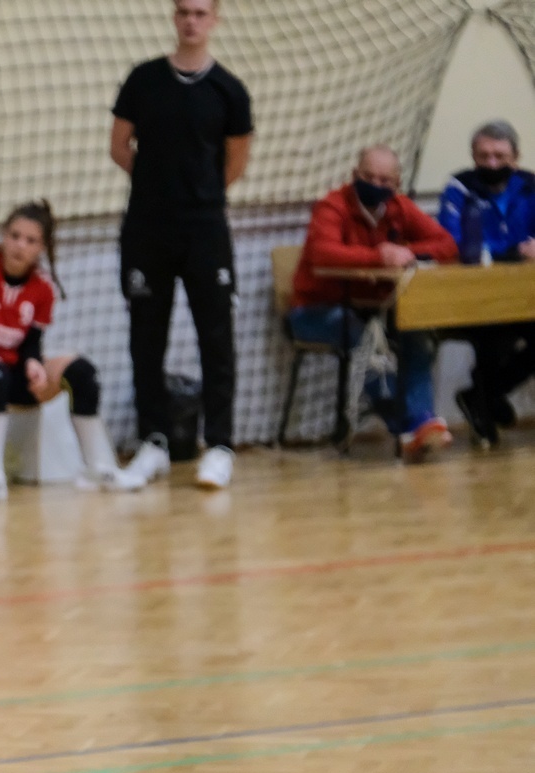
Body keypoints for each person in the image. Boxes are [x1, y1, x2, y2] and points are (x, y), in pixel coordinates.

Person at [110, 0, 253, 490]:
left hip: (205, 231)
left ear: (214, 20)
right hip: (146, 230)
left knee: (216, 338)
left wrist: (199, 194)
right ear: (174, 18)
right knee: (146, 337)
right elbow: (119, 146)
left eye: (200, 13)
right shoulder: (144, 79)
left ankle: (220, 446)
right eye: (184, 12)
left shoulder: (229, 90)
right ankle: (153, 442)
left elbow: (236, 161)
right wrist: (158, 186)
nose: (191, 21)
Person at [0, 202, 142, 502]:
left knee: (82, 373)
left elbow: (31, 342)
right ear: (3, 236)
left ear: (42, 247)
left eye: (30, 240)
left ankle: (99, 468)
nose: (20, 246)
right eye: (14, 236)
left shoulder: (43, 287)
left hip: (13, 374)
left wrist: (33, 364)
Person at [290, 145, 459, 461]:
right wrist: (379, 256)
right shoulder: (332, 207)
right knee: (364, 339)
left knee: (417, 335)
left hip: (374, 309)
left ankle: (419, 422)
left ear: (396, 183)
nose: (376, 185)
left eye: (384, 180)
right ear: (355, 175)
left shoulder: (400, 207)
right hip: (315, 311)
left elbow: (447, 244)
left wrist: (408, 252)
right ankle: (410, 425)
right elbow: (323, 254)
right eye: (368, 177)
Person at [438, 120, 535, 447]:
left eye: (500, 156)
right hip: (471, 296)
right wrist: (511, 253)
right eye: (484, 156)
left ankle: (485, 395)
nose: (492, 163)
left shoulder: (530, 185)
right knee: (495, 334)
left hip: (524, 295)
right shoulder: (459, 187)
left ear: (515, 158)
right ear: (473, 157)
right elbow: (451, 242)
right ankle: (486, 399)